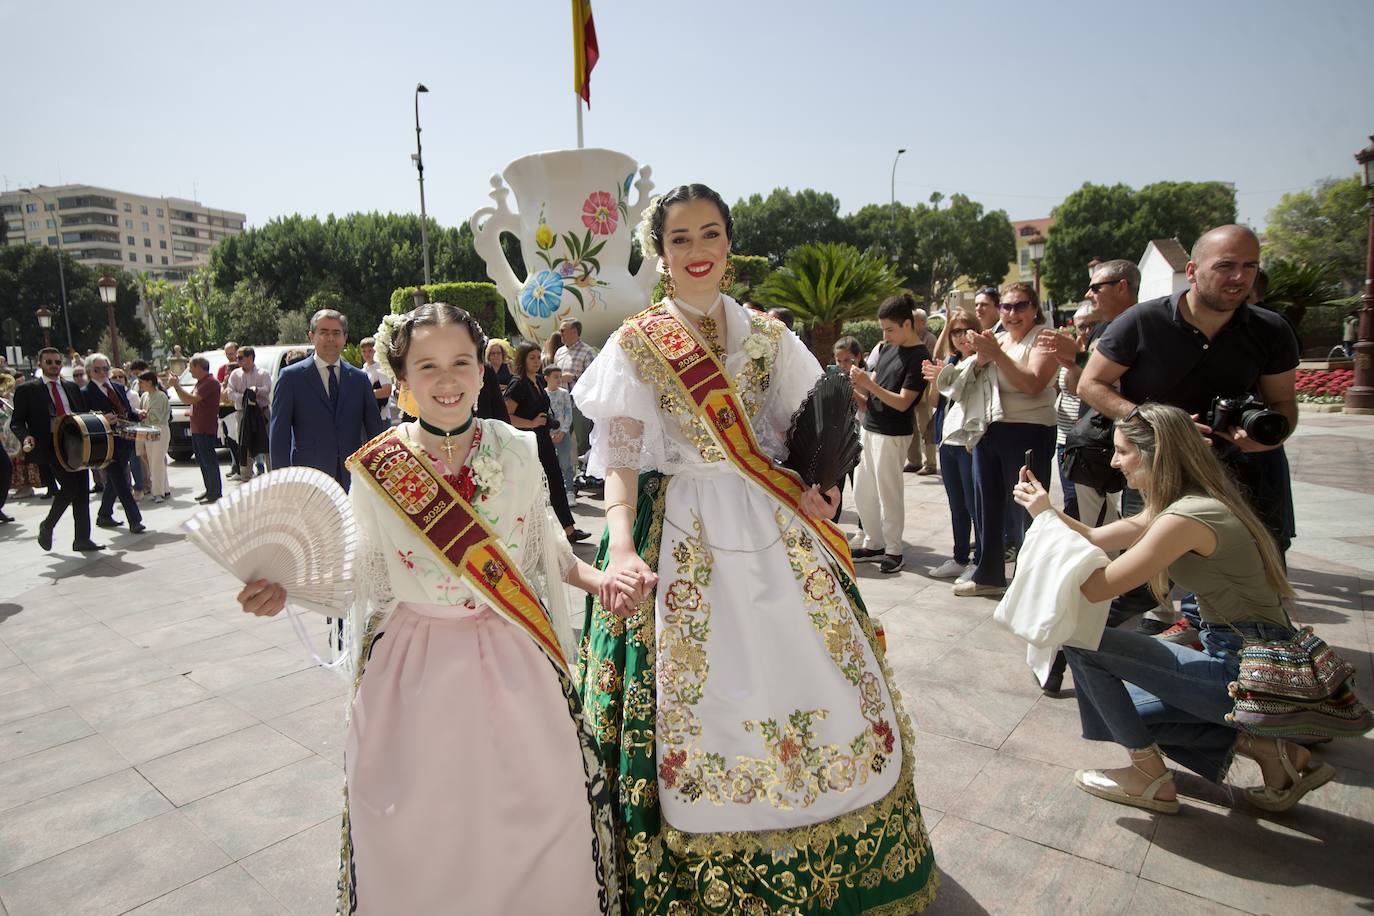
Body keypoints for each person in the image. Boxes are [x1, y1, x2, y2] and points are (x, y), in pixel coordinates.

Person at [575, 184, 937, 913]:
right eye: (681, 238)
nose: (698, 251)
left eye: (711, 234)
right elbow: (618, 459)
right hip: (679, 527)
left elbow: (817, 423)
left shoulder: (772, 338)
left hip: (773, 528)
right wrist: (619, 545)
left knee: (816, 675)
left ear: (729, 245)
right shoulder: (636, 344)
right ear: (661, 252)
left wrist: (823, 489)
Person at [236, 302, 630, 914]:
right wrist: (288, 589)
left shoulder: (518, 450)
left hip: (510, 660)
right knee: (422, 827)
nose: (446, 380)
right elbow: (360, 569)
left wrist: (598, 578)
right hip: (413, 670)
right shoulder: (379, 467)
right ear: (402, 379)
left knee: (537, 808)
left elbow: (544, 550)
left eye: (461, 363)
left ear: (481, 372)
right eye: (427, 366)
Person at [1012, 403, 1335, 814]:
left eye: (1122, 451)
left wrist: (1044, 524)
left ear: (1155, 454)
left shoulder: (1184, 518)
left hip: (1244, 673)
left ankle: (1149, 777)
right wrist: (1045, 509)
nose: (1114, 461)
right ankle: (1275, 753)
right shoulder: (1188, 504)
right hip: (1248, 658)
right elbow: (1095, 537)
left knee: (1079, 644)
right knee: (1128, 712)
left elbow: (1098, 588)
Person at [1078, 226, 1300, 634]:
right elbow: (1090, 384)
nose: (1239, 277)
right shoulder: (1141, 322)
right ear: (1194, 271)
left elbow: (1284, 403)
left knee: (1253, 584)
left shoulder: (1271, 329)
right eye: (1226, 266)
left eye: (1249, 266)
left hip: (1244, 476)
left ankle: (1245, 665)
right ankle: (1081, 646)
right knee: (1141, 581)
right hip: (1157, 471)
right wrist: (1160, 427)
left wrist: (1271, 434)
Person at [953, 281, 1058, 597]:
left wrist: (996, 355)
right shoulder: (996, 339)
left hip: (1029, 431)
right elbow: (972, 384)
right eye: (1007, 307)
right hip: (989, 431)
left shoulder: (1044, 339)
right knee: (987, 506)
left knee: (1026, 512)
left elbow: (1033, 384)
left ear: (1034, 309)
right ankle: (989, 575)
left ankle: (1029, 584)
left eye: (1020, 305)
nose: (1012, 313)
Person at [849, 293, 931, 574]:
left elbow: (903, 401)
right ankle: (874, 542)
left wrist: (867, 386)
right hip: (870, 427)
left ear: (908, 324)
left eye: (890, 329)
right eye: (884, 329)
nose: (885, 335)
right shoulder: (886, 348)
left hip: (893, 433)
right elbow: (877, 389)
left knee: (888, 493)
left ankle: (894, 550)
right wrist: (858, 386)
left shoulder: (920, 355)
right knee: (862, 489)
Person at [269, 309, 386, 490]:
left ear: (345, 338)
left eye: (336, 333)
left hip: (353, 479)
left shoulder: (359, 379)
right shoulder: (291, 378)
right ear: (312, 336)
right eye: (323, 332)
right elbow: (279, 435)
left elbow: (375, 430)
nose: (330, 338)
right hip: (308, 479)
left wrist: (381, 475)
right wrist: (282, 482)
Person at [10, 348, 102, 551]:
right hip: (51, 445)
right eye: (49, 362)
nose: (53, 365)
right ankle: (48, 525)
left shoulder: (71, 387)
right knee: (70, 487)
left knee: (82, 491)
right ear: (40, 364)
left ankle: (82, 539)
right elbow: (16, 422)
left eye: (57, 362)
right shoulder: (28, 390)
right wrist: (26, 437)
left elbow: (82, 414)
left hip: (76, 443)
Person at [504, 343, 589, 543]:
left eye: (537, 357)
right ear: (523, 359)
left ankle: (569, 530)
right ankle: (527, 533)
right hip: (527, 444)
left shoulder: (538, 381)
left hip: (544, 440)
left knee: (556, 482)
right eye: (531, 358)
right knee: (532, 488)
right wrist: (531, 423)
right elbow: (506, 416)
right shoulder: (518, 384)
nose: (535, 361)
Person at [923, 308, 983, 580]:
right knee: (956, 504)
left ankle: (979, 561)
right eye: (955, 332)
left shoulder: (981, 361)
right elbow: (934, 401)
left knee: (974, 505)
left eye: (965, 330)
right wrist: (936, 379)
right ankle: (960, 557)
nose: (960, 337)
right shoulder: (951, 360)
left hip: (969, 442)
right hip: (947, 441)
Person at [82, 354, 146, 534]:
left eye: (105, 369)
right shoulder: (85, 393)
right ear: (90, 371)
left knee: (113, 480)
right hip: (105, 444)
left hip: (124, 439)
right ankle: (135, 519)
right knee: (121, 480)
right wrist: (102, 419)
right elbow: (82, 418)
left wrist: (138, 414)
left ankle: (104, 514)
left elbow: (127, 412)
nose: (102, 373)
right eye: (97, 370)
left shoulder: (118, 387)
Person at [167, 357, 223, 504]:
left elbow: (191, 400)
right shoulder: (201, 383)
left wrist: (177, 386)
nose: (190, 370)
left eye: (191, 367)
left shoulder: (210, 382)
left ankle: (215, 492)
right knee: (202, 461)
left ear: (199, 367)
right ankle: (209, 490)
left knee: (209, 461)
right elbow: (188, 401)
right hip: (198, 427)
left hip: (205, 428)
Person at [905, 308, 941, 476]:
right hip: (909, 387)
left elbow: (934, 363)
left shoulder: (930, 339)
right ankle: (914, 461)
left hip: (925, 390)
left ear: (922, 322)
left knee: (926, 426)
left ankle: (931, 463)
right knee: (911, 425)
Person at [227, 346, 271, 480]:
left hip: (262, 413)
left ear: (250, 358)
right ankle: (245, 475)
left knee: (267, 443)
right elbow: (230, 393)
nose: (237, 360)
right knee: (244, 444)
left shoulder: (263, 373)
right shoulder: (235, 374)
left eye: (240, 357)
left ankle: (272, 474)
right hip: (242, 414)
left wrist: (256, 391)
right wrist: (246, 397)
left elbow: (267, 388)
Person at [136, 371, 171, 502]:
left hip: (159, 430)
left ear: (149, 382)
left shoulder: (161, 396)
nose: (140, 385)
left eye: (142, 382)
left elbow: (158, 415)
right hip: (147, 430)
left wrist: (144, 414)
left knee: (156, 461)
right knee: (153, 461)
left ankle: (158, 492)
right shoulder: (145, 395)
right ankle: (164, 489)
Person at [544, 364, 577, 502]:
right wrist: (548, 433)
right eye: (555, 377)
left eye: (560, 377)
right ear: (546, 378)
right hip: (547, 435)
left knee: (565, 463)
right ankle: (552, 493)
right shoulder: (542, 393)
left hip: (562, 434)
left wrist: (563, 432)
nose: (558, 380)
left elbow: (568, 414)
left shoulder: (564, 393)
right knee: (550, 465)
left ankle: (569, 491)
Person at [216, 341, 243, 480]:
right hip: (224, 412)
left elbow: (228, 393)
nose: (229, 357)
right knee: (231, 441)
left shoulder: (242, 370)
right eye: (227, 354)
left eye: (232, 354)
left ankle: (243, 469)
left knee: (239, 441)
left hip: (235, 411)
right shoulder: (222, 370)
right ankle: (236, 468)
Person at [359, 336, 395, 428]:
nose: (367, 354)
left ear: (375, 351)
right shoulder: (363, 370)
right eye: (364, 351)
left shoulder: (380, 368)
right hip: (366, 417)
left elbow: (386, 391)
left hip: (381, 417)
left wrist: (364, 394)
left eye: (370, 350)